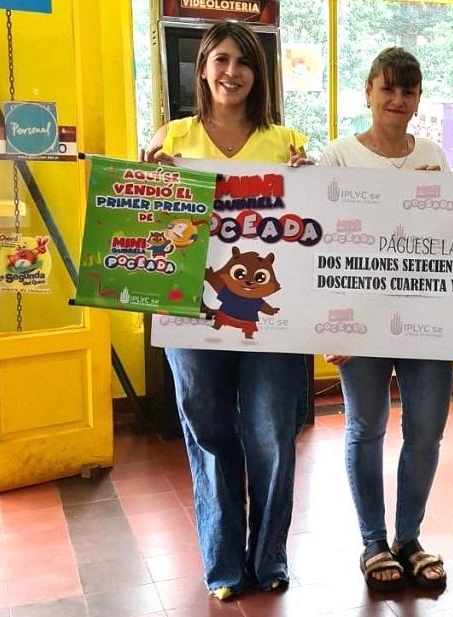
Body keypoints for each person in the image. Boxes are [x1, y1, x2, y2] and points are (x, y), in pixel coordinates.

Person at [143, 21, 311, 601]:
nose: (231, 71)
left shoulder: (287, 142)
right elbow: (148, 221)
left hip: (273, 315)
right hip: (189, 313)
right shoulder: (173, 137)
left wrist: (310, 184)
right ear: (203, 69)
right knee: (209, 431)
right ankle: (224, 565)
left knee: (270, 432)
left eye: (243, 61)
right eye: (220, 59)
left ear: (258, 74)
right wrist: (150, 179)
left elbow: (308, 222)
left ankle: (269, 558)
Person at [319, 47, 452, 591]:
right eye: (388, 88)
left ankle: (409, 537)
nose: (398, 100)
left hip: (427, 315)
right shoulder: (338, 155)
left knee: (427, 432)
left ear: (418, 98)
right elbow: (320, 242)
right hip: (361, 319)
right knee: (365, 426)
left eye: (409, 91)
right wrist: (330, 321)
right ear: (368, 91)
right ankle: (373, 541)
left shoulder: (436, 155)